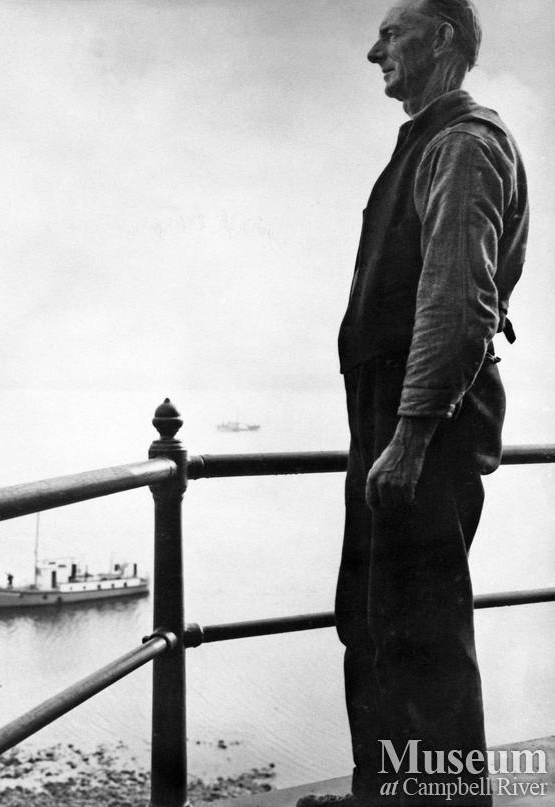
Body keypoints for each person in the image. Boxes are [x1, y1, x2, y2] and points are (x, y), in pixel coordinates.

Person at [297, 1, 528, 805]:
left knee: (421, 628)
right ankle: (384, 794)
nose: (374, 52)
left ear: (441, 40)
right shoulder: (431, 143)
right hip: (394, 416)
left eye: (390, 34)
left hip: (419, 421)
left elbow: (456, 303)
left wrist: (410, 435)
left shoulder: (463, 145)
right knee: (374, 619)